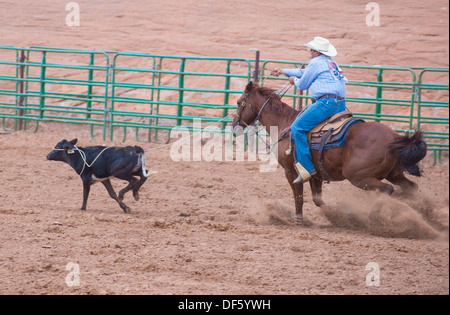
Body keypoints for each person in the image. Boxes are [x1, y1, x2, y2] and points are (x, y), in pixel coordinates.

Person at [272, 36, 348, 184]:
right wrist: (283, 71)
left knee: (297, 128)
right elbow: (305, 73)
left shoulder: (315, 62)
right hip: (340, 105)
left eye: (311, 50)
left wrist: (293, 80)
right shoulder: (331, 62)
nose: (310, 52)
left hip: (325, 103)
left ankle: (307, 168)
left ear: (317, 52)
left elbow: (302, 84)